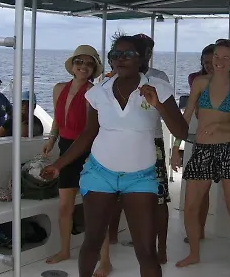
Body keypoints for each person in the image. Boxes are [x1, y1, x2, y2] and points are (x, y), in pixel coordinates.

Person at [40, 34, 189, 277]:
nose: (121, 59)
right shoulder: (99, 91)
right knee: (92, 241)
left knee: (146, 251)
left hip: (140, 178)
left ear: (141, 58)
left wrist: (158, 105)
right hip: (100, 173)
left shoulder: (158, 88)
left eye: (128, 54)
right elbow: (88, 134)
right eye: (115, 55)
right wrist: (59, 164)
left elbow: (181, 131)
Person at [176, 39, 230, 268]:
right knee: (190, 206)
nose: (219, 61)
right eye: (217, 56)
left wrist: (219, 126)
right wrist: (176, 147)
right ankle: (194, 254)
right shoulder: (199, 82)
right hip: (202, 150)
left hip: (229, 149)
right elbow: (186, 116)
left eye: (226, 57)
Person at [104, 33, 172, 268]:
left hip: (152, 143)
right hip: (119, 144)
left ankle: (161, 248)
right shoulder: (113, 77)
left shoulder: (158, 78)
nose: (145, 55)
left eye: (147, 51)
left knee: (159, 198)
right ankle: (113, 237)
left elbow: (167, 112)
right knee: (115, 193)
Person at [41, 45, 102, 265]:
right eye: (79, 62)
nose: (83, 66)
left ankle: (103, 258)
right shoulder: (58, 89)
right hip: (65, 148)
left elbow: (92, 129)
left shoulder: (94, 92)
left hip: (88, 150)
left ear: (93, 68)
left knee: (94, 208)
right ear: (72, 65)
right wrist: (51, 140)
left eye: (89, 63)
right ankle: (64, 250)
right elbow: (58, 120)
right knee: (64, 206)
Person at [171, 43, 215, 244]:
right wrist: (176, 146)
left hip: (224, 142)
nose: (209, 66)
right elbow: (187, 115)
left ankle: (200, 230)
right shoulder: (195, 79)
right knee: (199, 191)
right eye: (206, 62)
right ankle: (197, 232)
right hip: (201, 139)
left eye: (213, 61)